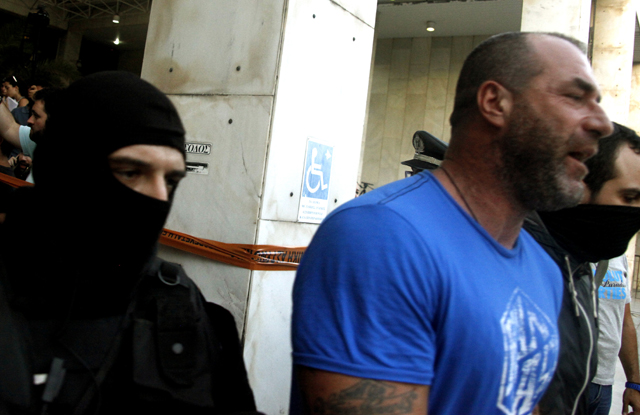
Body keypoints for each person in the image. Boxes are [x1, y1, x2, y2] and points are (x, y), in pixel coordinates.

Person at [291, 32, 612, 415]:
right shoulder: (380, 238)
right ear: (495, 103)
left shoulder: (544, 269)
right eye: (574, 97)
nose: (603, 123)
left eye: (598, 102)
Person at [0, 71, 258, 414]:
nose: (159, 198)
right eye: (132, 172)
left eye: (171, 179)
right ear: (67, 167)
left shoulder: (184, 310)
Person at [0, 88, 56, 183]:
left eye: (36, 116)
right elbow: (9, 128)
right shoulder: (40, 141)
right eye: (31, 114)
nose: (29, 120)